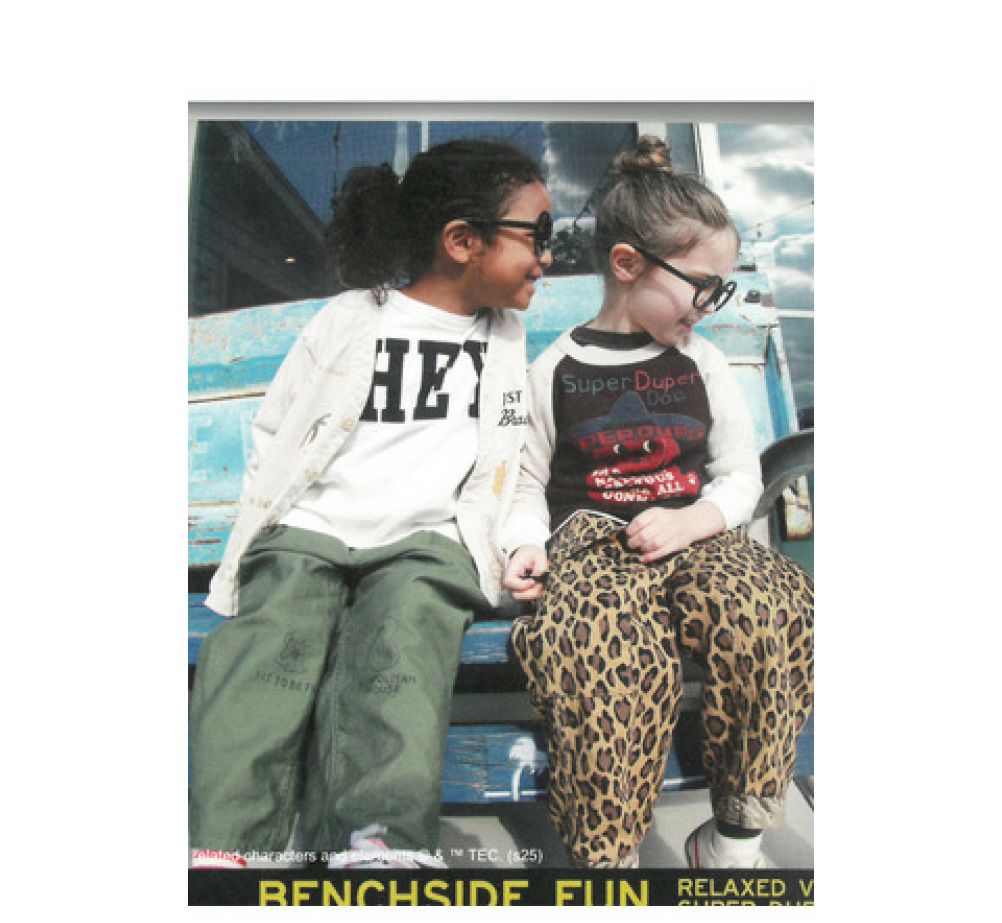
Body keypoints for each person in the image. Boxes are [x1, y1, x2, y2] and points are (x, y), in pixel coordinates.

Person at [189, 139, 553, 869]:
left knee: (402, 657)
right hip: (312, 528)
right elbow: (278, 428)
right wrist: (266, 522)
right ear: (462, 241)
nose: (546, 256)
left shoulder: (505, 342)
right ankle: (229, 845)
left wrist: (520, 540)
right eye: (536, 234)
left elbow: (513, 464)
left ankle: (377, 843)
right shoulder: (353, 318)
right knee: (264, 652)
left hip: (426, 542)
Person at [500, 136, 813, 869]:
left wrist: (696, 518)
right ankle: (609, 861)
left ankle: (732, 840)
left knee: (773, 609)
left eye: (720, 290)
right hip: (591, 545)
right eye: (704, 286)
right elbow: (524, 481)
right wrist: (523, 543)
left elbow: (738, 474)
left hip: (696, 534)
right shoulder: (554, 369)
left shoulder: (701, 361)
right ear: (627, 265)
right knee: (598, 656)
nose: (711, 305)